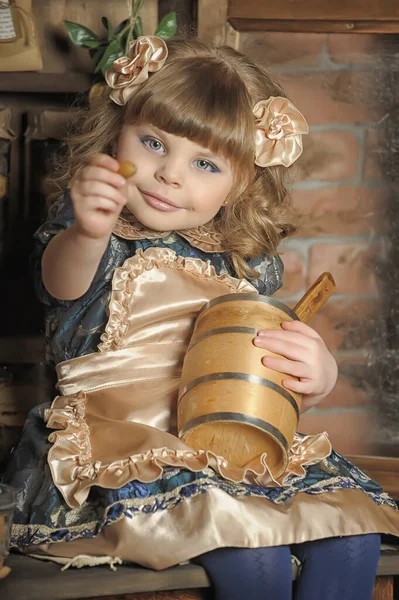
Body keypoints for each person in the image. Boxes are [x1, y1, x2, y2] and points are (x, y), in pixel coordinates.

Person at [3, 36, 399, 600]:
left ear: (242, 182)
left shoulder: (242, 263)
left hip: (226, 440)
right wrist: (88, 230)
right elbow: (60, 284)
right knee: (249, 545)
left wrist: (318, 376)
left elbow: (258, 375)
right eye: (153, 143)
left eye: (205, 163)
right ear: (117, 133)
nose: (169, 174)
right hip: (123, 442)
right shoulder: (96, 236)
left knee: (349, 535)